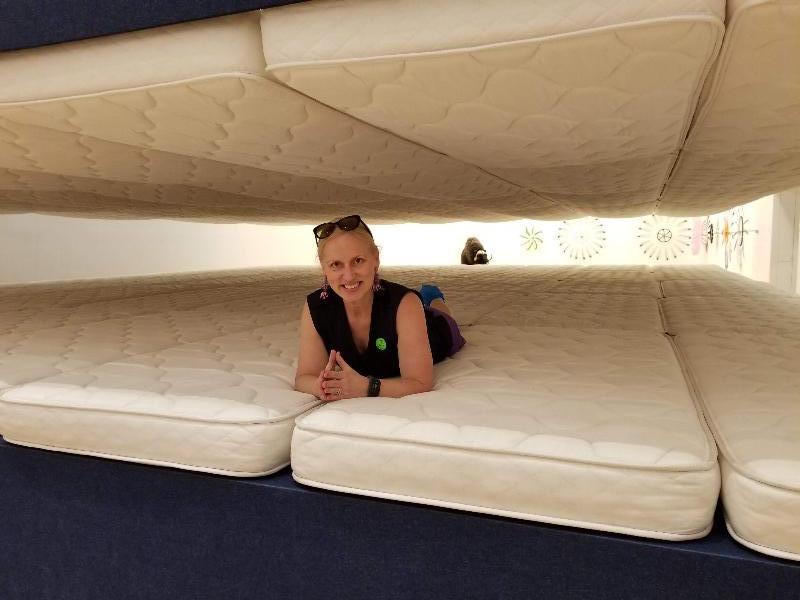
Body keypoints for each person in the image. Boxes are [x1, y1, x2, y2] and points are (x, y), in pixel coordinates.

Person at [294, 215, 466, 402]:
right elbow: (304, 378)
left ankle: (433, 296)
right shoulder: (315, 307)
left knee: (441, 314)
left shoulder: (405, 303)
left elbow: (420, 383)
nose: (349, 276)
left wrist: (367, 387)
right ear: (323, 268)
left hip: (435, 329)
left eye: (358, 260)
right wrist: (321, 386)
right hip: (408, 315)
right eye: (336, 264)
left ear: (375, 259)